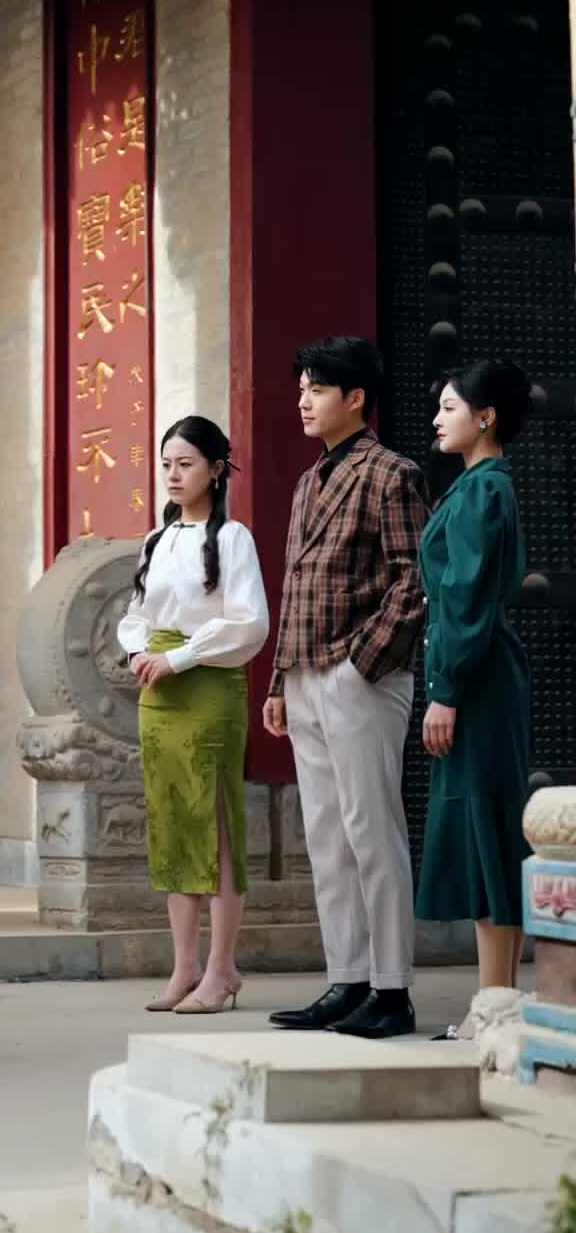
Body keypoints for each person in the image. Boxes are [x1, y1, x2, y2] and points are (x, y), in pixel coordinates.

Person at [263, 337, 429, 1040]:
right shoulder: (309, 482)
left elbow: (413, 580)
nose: (302, 400)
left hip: (359, 677)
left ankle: (392, 990)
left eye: (317, 389)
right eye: (302, 387)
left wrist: (359, 665)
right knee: (327, 837)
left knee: (371, 831)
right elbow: (295, 585)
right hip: (304, 676)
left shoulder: (392, 473)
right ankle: (348, 979)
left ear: (355, 398)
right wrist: (279, 678)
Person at [118, 416, 269, 1015]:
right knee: (172, 822)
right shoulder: (156, 540)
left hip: (207, 686)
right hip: (158, 692)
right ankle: (184, 966)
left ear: (216, 468)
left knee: (216, 825)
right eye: (166, 465)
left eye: (185, 464)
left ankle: (222, 968)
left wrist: (179, 657)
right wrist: (137, 651)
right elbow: (136, 614)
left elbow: (249, 623)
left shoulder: (233, 538)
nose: (174, 475)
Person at [416, 359, 532, 1035]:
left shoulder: (481, 491)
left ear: (485, 417)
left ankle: (491, 1006)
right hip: (486, 674)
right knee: (494, 826)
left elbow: (462, 600)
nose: (437, 418)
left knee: (486, 828)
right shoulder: (485, 486)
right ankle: (498, 1003)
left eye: (450, 407)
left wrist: (445, 691)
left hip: (476, 680)